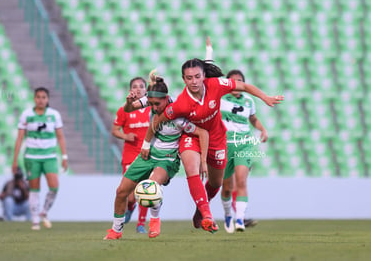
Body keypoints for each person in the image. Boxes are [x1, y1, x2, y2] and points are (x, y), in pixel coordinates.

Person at [141, 37, 284, 233]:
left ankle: (201, 209)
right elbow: (157, 121)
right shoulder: (181, 104)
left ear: (202, 76)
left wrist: (265, 97)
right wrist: (146, 144)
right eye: (189, 78)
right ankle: (207, 215)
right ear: (183, 79)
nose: (194, 81)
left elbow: (243, 86)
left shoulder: (215, 84)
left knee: (216, 183)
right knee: (193, 169)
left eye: (197, 76)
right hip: (192, 137)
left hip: (216, 138)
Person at [104, 71, 209, 240]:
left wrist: (203, 160)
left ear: (167, 99)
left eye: (157, 104)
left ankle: (154, 220)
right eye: (151, 104)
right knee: (121, 191)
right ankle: (116, 230)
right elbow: (129, 110)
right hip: (149, 154)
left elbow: (202, 133)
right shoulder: (152, 99)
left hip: (168, 158)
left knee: (151, 186)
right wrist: (128, 102)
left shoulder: (179, 112)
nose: (153, 108)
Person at [12, 87, 68, 230]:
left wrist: (64, 156)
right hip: (32, 157)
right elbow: (19, 139)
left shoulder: (54, 115)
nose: (41, 100)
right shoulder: (26, 115)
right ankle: (35, 220)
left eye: (44, 97)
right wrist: (14, 160)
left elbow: (60, 137)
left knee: (54, 187)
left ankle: (44, 211)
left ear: (47, 99)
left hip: (49, 156)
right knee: (34, 189)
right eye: (38, 97)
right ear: (34, 99)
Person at [220, 69, 267, 233]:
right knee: (226, 187)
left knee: (241, 180)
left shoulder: (249, 101)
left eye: (240, 81)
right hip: (225, 145)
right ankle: (227, 215)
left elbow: (253, 119)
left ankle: (239, 218)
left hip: (244, 144)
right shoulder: (220, 99)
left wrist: (262, 130)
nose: (236, 84)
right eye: (233, 81)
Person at [111, 77, 150, 233]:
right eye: (135, 86)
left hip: (147, 155)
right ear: (130, 90)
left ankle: (141, 224)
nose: (139, 89)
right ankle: (130, 206)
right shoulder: (124, 110)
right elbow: (114, 130)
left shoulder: (151, 109)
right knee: (131, 195)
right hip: (130, 154)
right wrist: (126, 136)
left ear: (146, 90)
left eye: (141, 86)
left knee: (146, 190)